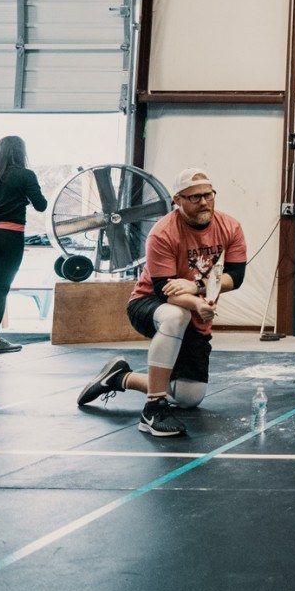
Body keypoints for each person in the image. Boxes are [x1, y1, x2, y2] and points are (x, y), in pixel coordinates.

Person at [77, 168, 247, 437]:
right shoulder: (162, 233)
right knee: (175, 315)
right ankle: (153, 409)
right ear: (177, 201)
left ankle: (119, 377)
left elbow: (236, 276)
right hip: (149, 303)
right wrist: (196, 303)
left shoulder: (230, 226)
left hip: (194, 305)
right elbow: (165, 291)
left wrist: (197, 288)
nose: (204, 202)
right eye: (194, 197)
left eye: (208, 195)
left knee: (189, 397)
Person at [0, 136, 47, 354]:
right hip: (9, 236)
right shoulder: (25, 175)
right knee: (0, 289)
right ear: (20, 153)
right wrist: (24, 197)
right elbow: (41, 205)